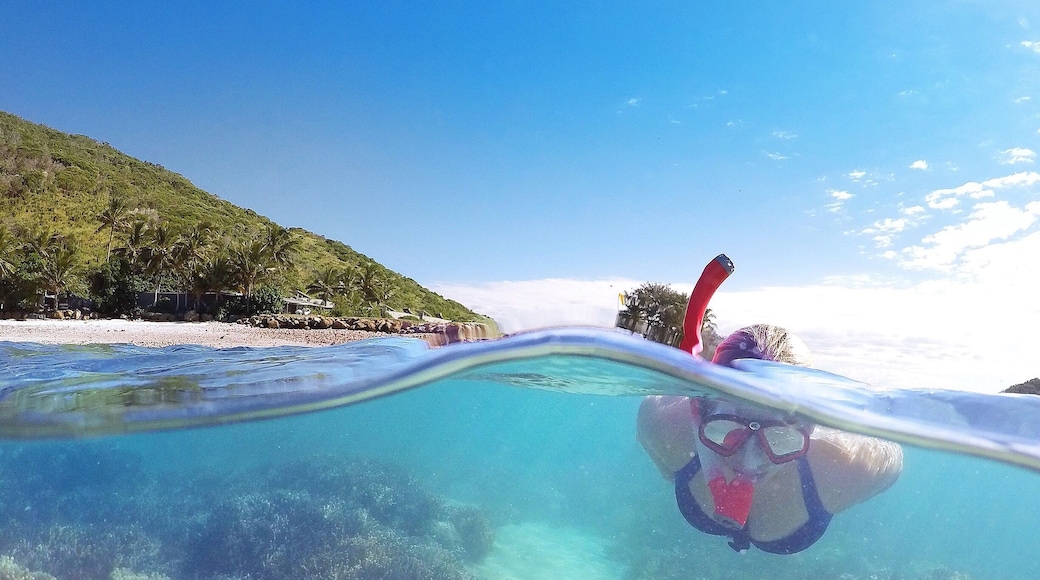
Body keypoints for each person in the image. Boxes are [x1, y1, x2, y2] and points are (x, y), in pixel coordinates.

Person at [637, 324, 904, 554]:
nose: (749, 462)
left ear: (810, 428)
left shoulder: (847, 467)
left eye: (779, 436)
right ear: (701, 410)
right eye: (727, 428)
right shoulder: (663, 424)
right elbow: (664, 467)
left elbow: (890, 461)